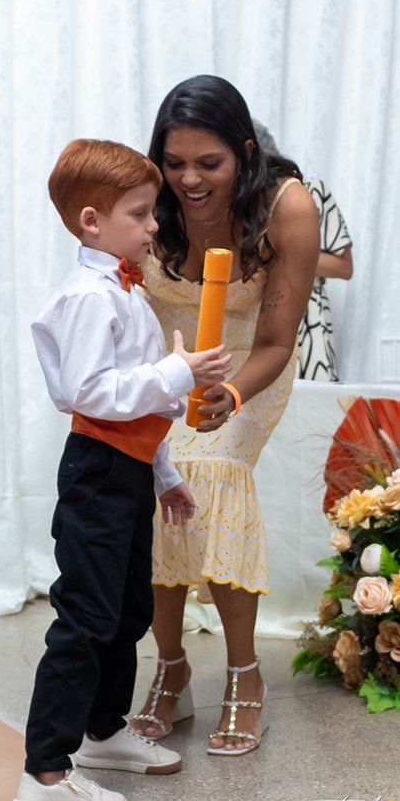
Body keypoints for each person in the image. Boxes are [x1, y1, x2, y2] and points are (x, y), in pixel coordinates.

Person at [12, 138, 231, 801]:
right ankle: (45, 772)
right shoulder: (87, 297)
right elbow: (91, 393)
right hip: (98, 470)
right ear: (91, 220)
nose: (153, 225)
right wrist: (180, 372)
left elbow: (136, 404)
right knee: (85, 617)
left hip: (129, 466)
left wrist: (163, 473)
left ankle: (102, 731)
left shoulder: (124, 289)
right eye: (139, 214)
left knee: (128, 608)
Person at [129, 75, 320, 755]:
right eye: (174, 162)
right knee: (141, 480)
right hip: (163, 366)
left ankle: (245, 675)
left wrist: (230, 395)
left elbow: (277, 341)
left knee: (204, 470)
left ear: (244, 152)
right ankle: (171, 667)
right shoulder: (144, 195)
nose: (188, 180)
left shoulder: (285, 207)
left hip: (248, 365)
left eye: (208, 164)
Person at [252, 120, 353, 381]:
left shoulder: (311, 192)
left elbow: (344, 266)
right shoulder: (235, 199)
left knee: (314, 403)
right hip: (252, 316)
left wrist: (290, 251)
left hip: (309, 320)